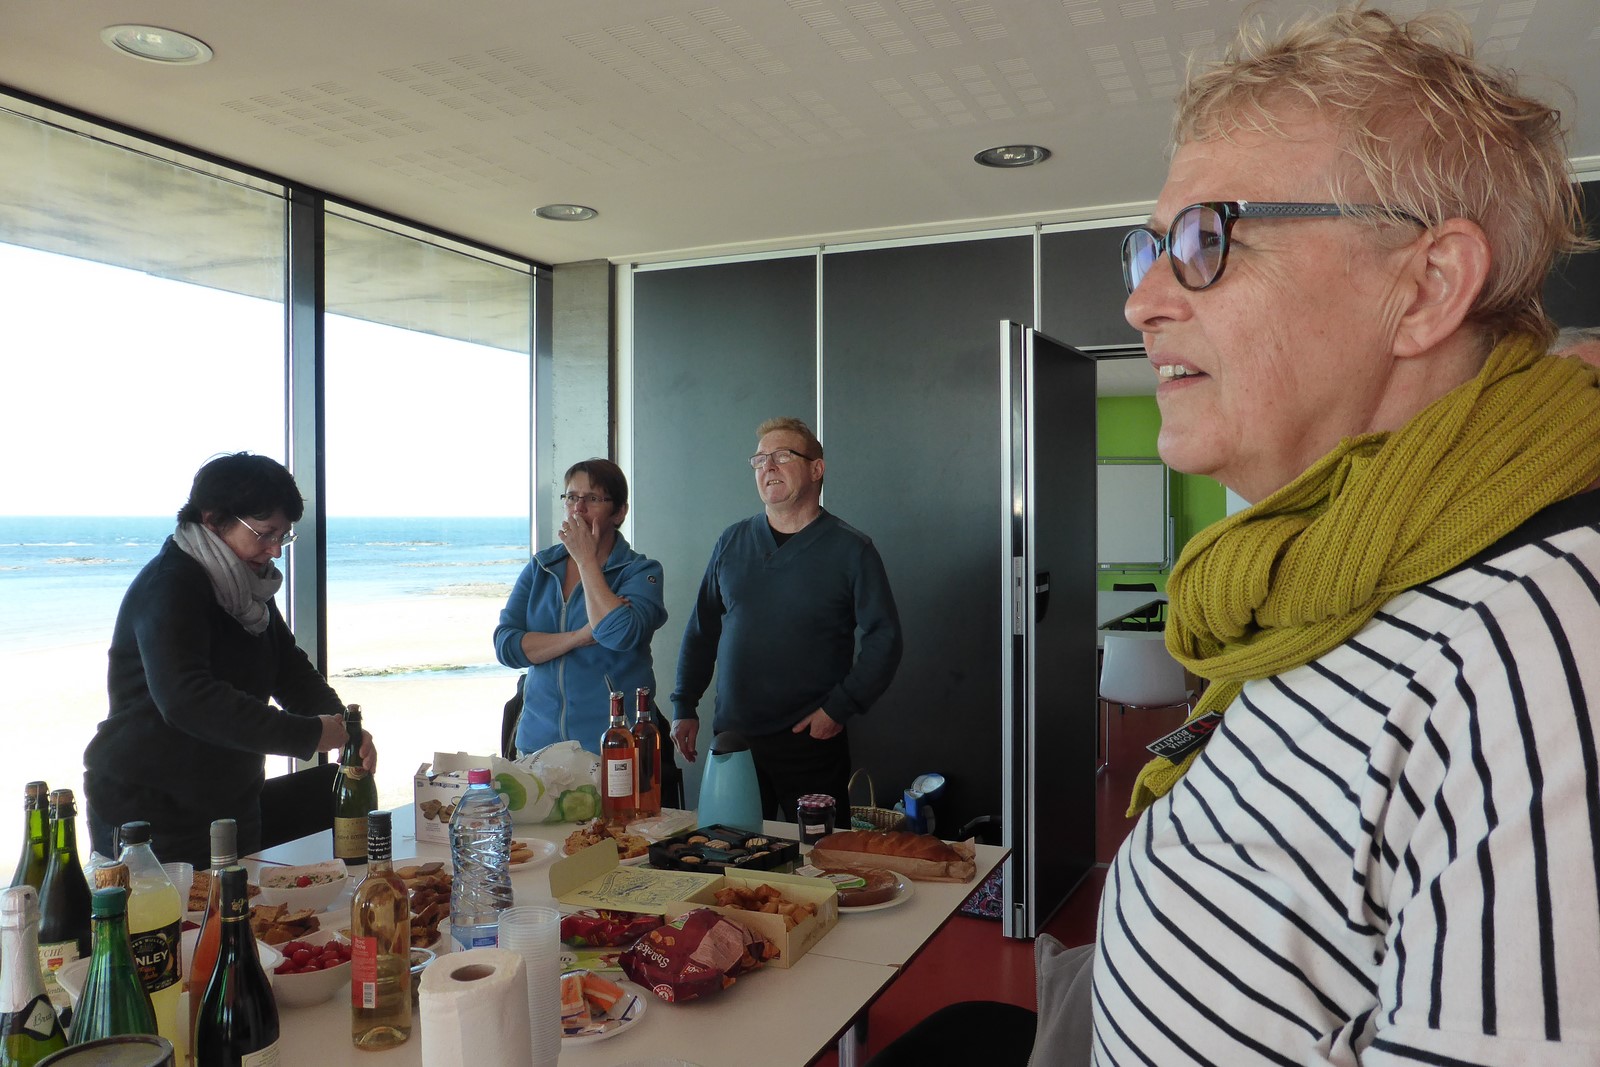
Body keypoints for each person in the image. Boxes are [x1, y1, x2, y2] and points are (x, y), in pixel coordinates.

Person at [874, 7, 1600, 1066]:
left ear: (1426, 286)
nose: (1140, 300)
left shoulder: (1539, 645)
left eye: (1207, 239)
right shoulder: (1319, 573)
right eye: (1151, 247)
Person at [83, 453, 375, 869]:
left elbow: (288, 669)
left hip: (232, 799)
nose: (275, 550)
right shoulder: (171, 585)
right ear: (214, 520)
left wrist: (344, 726)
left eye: (284, 536)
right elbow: (187, 699)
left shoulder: (243, 585)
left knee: (241, 907)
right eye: (265, 534)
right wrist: (308, 734)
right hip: (150, 809)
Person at [671, 416, 902, 820]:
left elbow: (885, 638)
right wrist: (684, 704)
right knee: (728, 849)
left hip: (811, 741)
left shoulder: (851, 550)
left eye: (782, 456)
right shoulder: (731, 541)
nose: (768, 467)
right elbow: (702, 630)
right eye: (760, 460)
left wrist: (839, 709)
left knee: (818, 855)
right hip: (735, 741)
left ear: (816, 469)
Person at [494, 459, 670, 767]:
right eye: (572, 497)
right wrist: (578, 637)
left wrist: (586, 560)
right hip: (537, 747)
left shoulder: (640, 571)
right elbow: (507, 647)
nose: (578, 508)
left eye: (592, 498)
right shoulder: (541, 567)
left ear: (619, 512)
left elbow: (619, 634)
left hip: (615, 748)